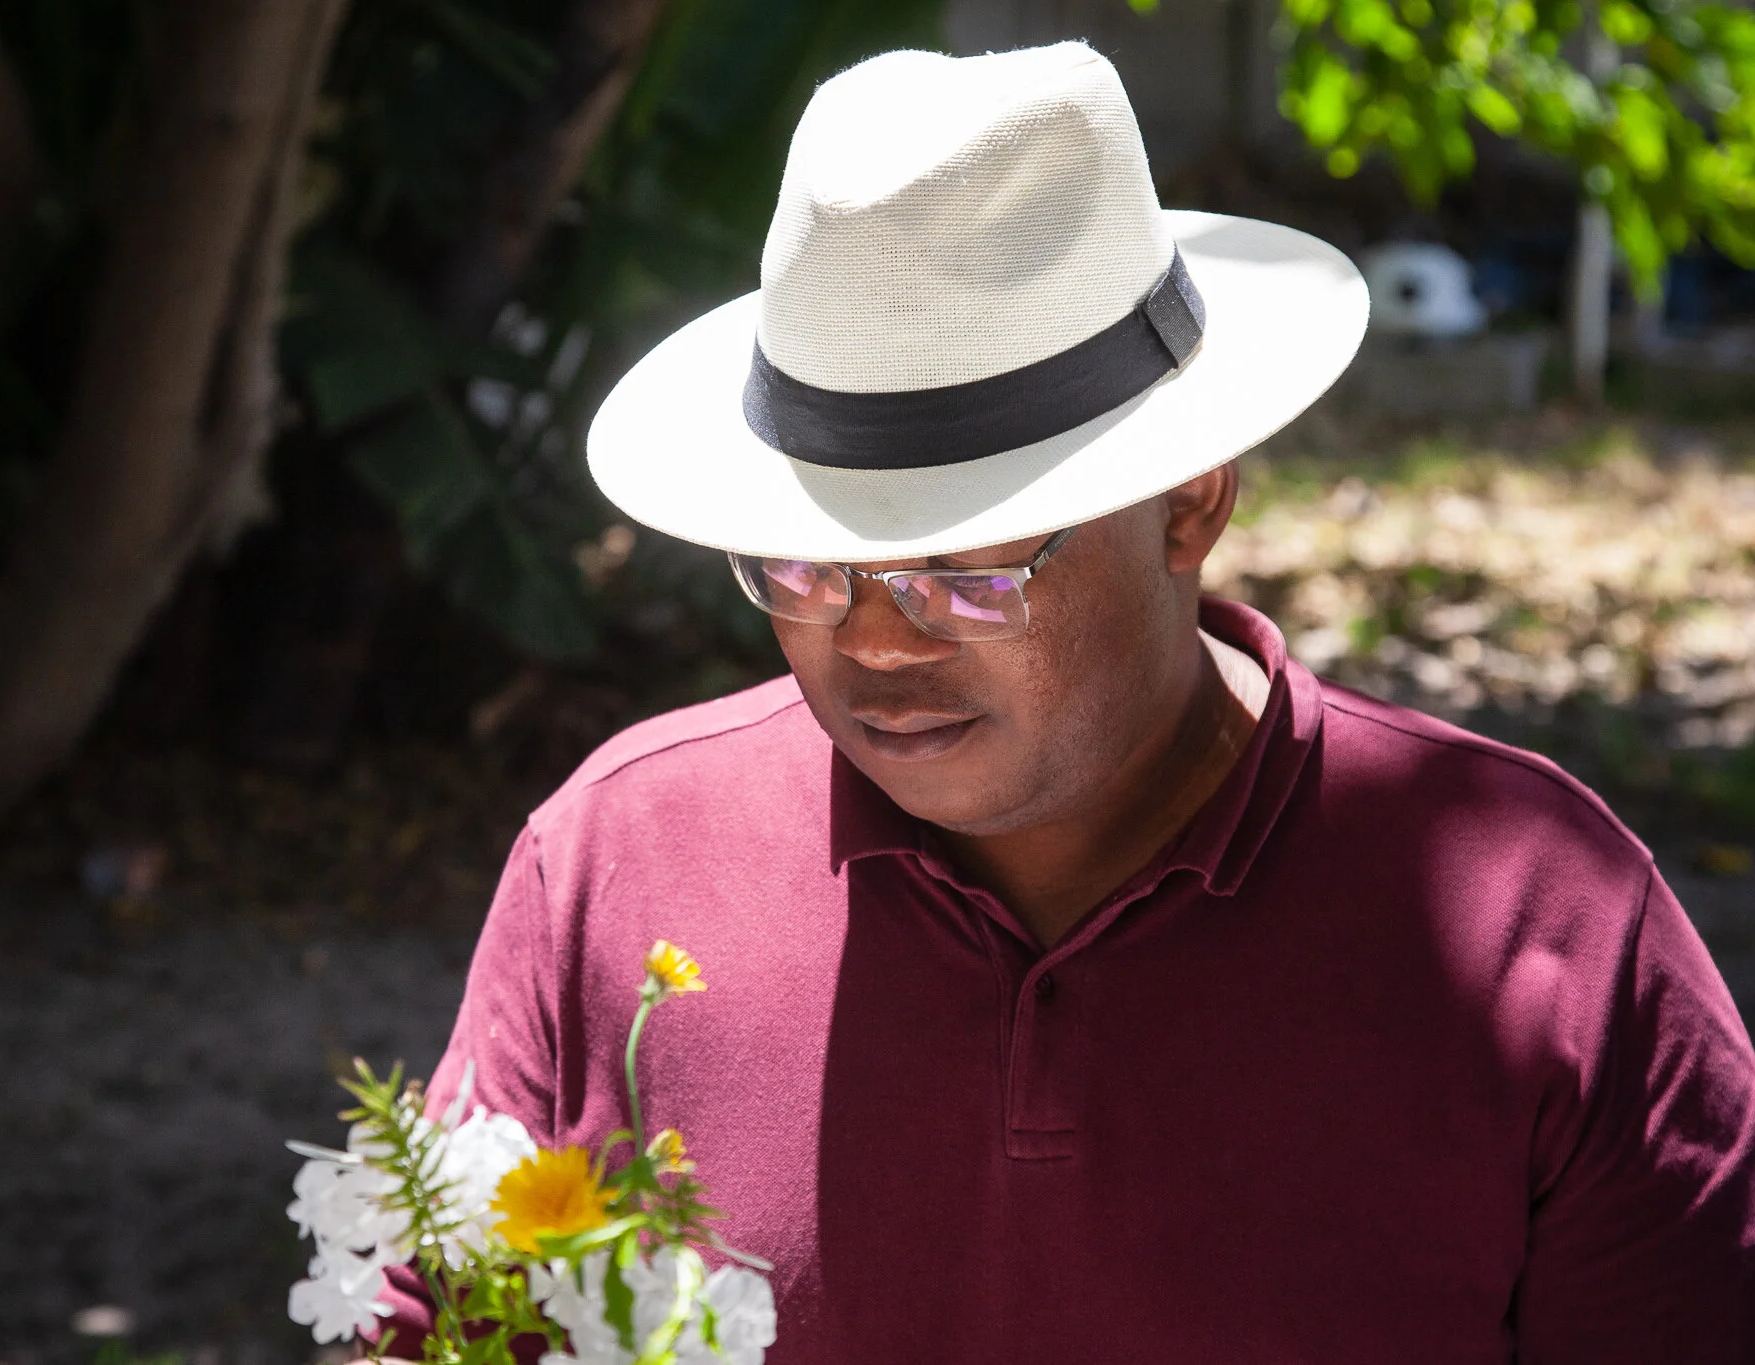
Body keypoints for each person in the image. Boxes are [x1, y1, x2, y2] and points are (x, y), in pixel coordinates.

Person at [381, 41, 1755, 1362]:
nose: (878, 642)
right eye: (805, 565)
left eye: (968, 567)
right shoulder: (620, 864)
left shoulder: (1545, 927)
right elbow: (440, 1338)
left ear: (1189, 503)